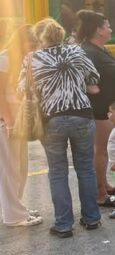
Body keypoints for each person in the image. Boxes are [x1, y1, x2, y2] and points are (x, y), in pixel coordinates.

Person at [24, 19, 101, 238]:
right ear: (61, 34)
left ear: (40, 37)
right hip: (82, 115)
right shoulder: (76, 51)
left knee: (57, 171)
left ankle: (64, 225)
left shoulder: (32, 59)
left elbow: (25, 89)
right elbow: (94, 78)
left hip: (52, 119)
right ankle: (92, 218)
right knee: (86, 168)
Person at [77, 10, 115, 208]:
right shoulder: (88, 52)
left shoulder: (100, 49)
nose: (111, 29)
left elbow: (103, 73)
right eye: (108, 26)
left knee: (106, 150)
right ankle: (100, 193)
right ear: (98, 30)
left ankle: (105, 184)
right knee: (101, 151)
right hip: (101, 110)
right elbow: (85, 78)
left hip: (111, 110)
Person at [0, 25, 43, 227]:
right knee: (11, 170)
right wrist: (9, 121)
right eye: (31, 43)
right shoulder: (4, 59)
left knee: (20, 168)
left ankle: (16, 208)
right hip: (7, 122)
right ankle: (14, 216)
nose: (34, 47)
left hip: (19, 120)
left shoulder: (23, 60)